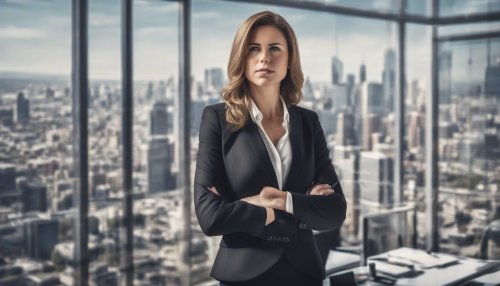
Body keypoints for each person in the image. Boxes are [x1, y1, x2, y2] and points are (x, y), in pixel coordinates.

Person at [194, 10, 347, 286]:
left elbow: (335, 210)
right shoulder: (217, 119)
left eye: (275, 48)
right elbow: (209, 217)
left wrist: (276, 200)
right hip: (242, 274)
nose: (264, 57)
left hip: (304, 273)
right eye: (254, 49)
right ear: (242, 58)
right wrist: (300, 203)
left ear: (289, 60)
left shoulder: (308, 122)